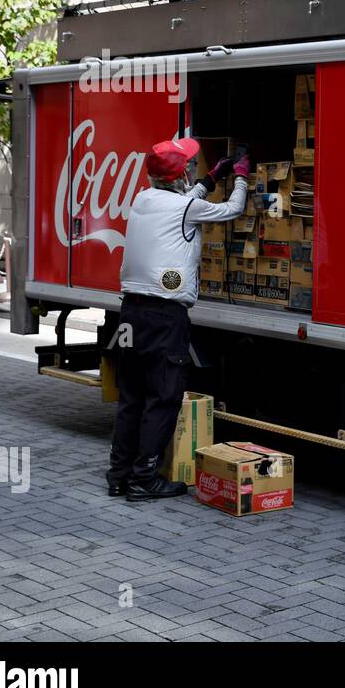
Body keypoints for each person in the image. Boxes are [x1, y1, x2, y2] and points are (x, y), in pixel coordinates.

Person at [106, 138, 250, 501]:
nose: (192, 171)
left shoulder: (142, 199)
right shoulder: (186, 207)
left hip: (130, 313)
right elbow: (231, 210)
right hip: (163, 316)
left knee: (132, 397)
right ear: (181, 175)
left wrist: (212, 177)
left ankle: (120, 474)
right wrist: (242, 178)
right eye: (189, 166)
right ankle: (144, 478)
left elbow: (184, 202)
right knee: (163, 397)